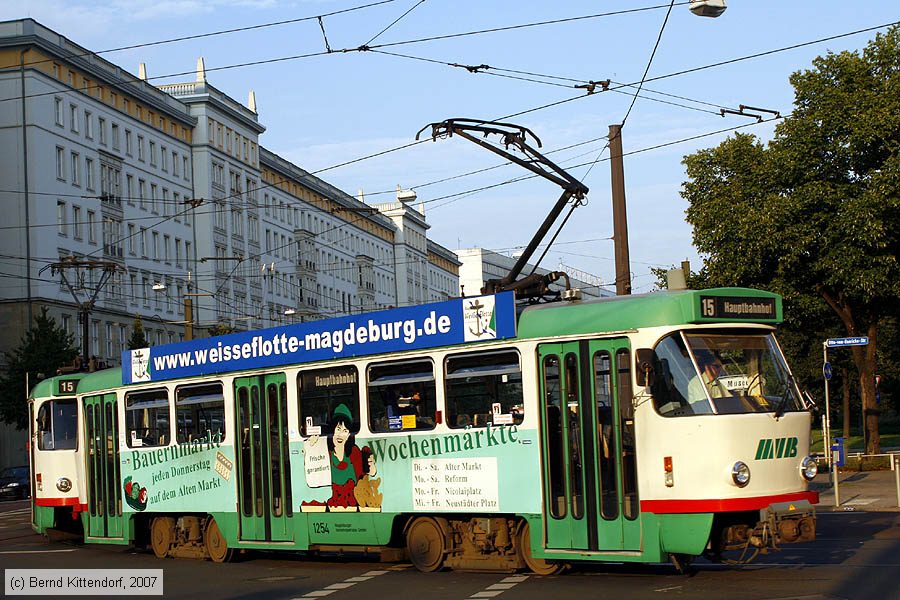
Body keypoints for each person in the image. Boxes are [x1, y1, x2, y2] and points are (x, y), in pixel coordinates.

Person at [325, 403, 376, 509]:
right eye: (338, 429)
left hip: (355, 506)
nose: (341, 434)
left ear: (349, 435)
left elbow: (369, 474)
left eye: (345, 431)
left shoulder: (354, 452)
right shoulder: (326, 453)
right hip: (334, 507)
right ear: (333, 430)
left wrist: (371, 465)